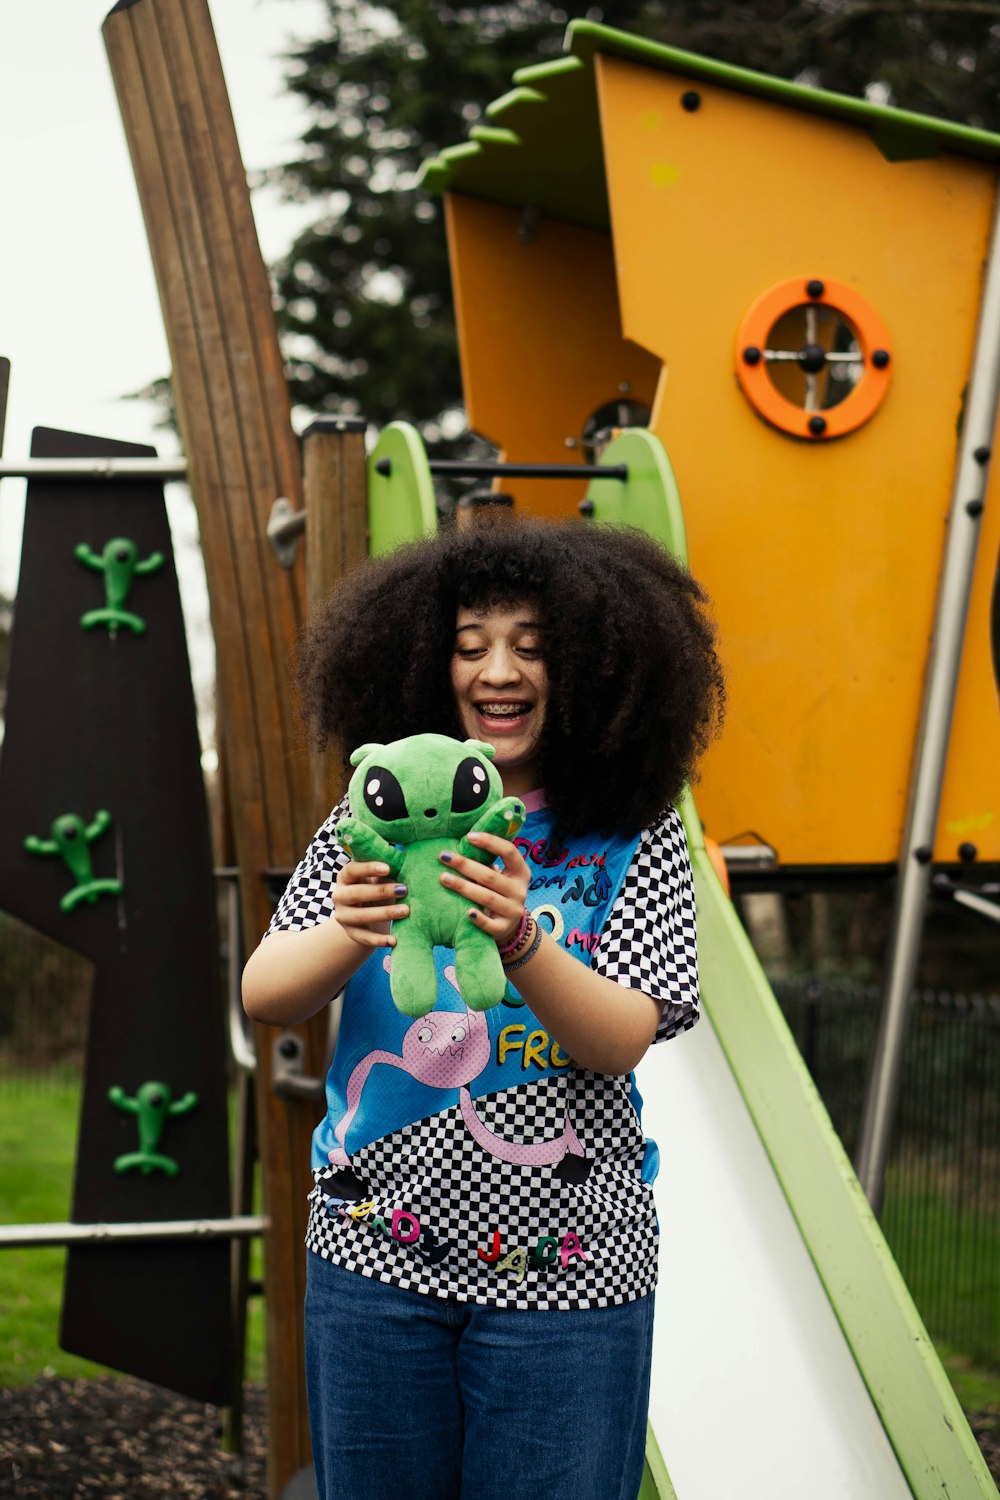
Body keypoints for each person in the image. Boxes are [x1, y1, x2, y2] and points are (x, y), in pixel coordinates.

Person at [242, 517, 724, 1500]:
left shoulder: (634, 829)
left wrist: (520, 942)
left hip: (569, 1271)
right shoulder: (368, 816)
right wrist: (351, 930)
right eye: (469, 646)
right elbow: (264, 994)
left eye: (532, 646)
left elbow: (620, 1037)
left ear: (595, 667)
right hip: (373, 1253)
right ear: (426, 663)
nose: (496, 670)